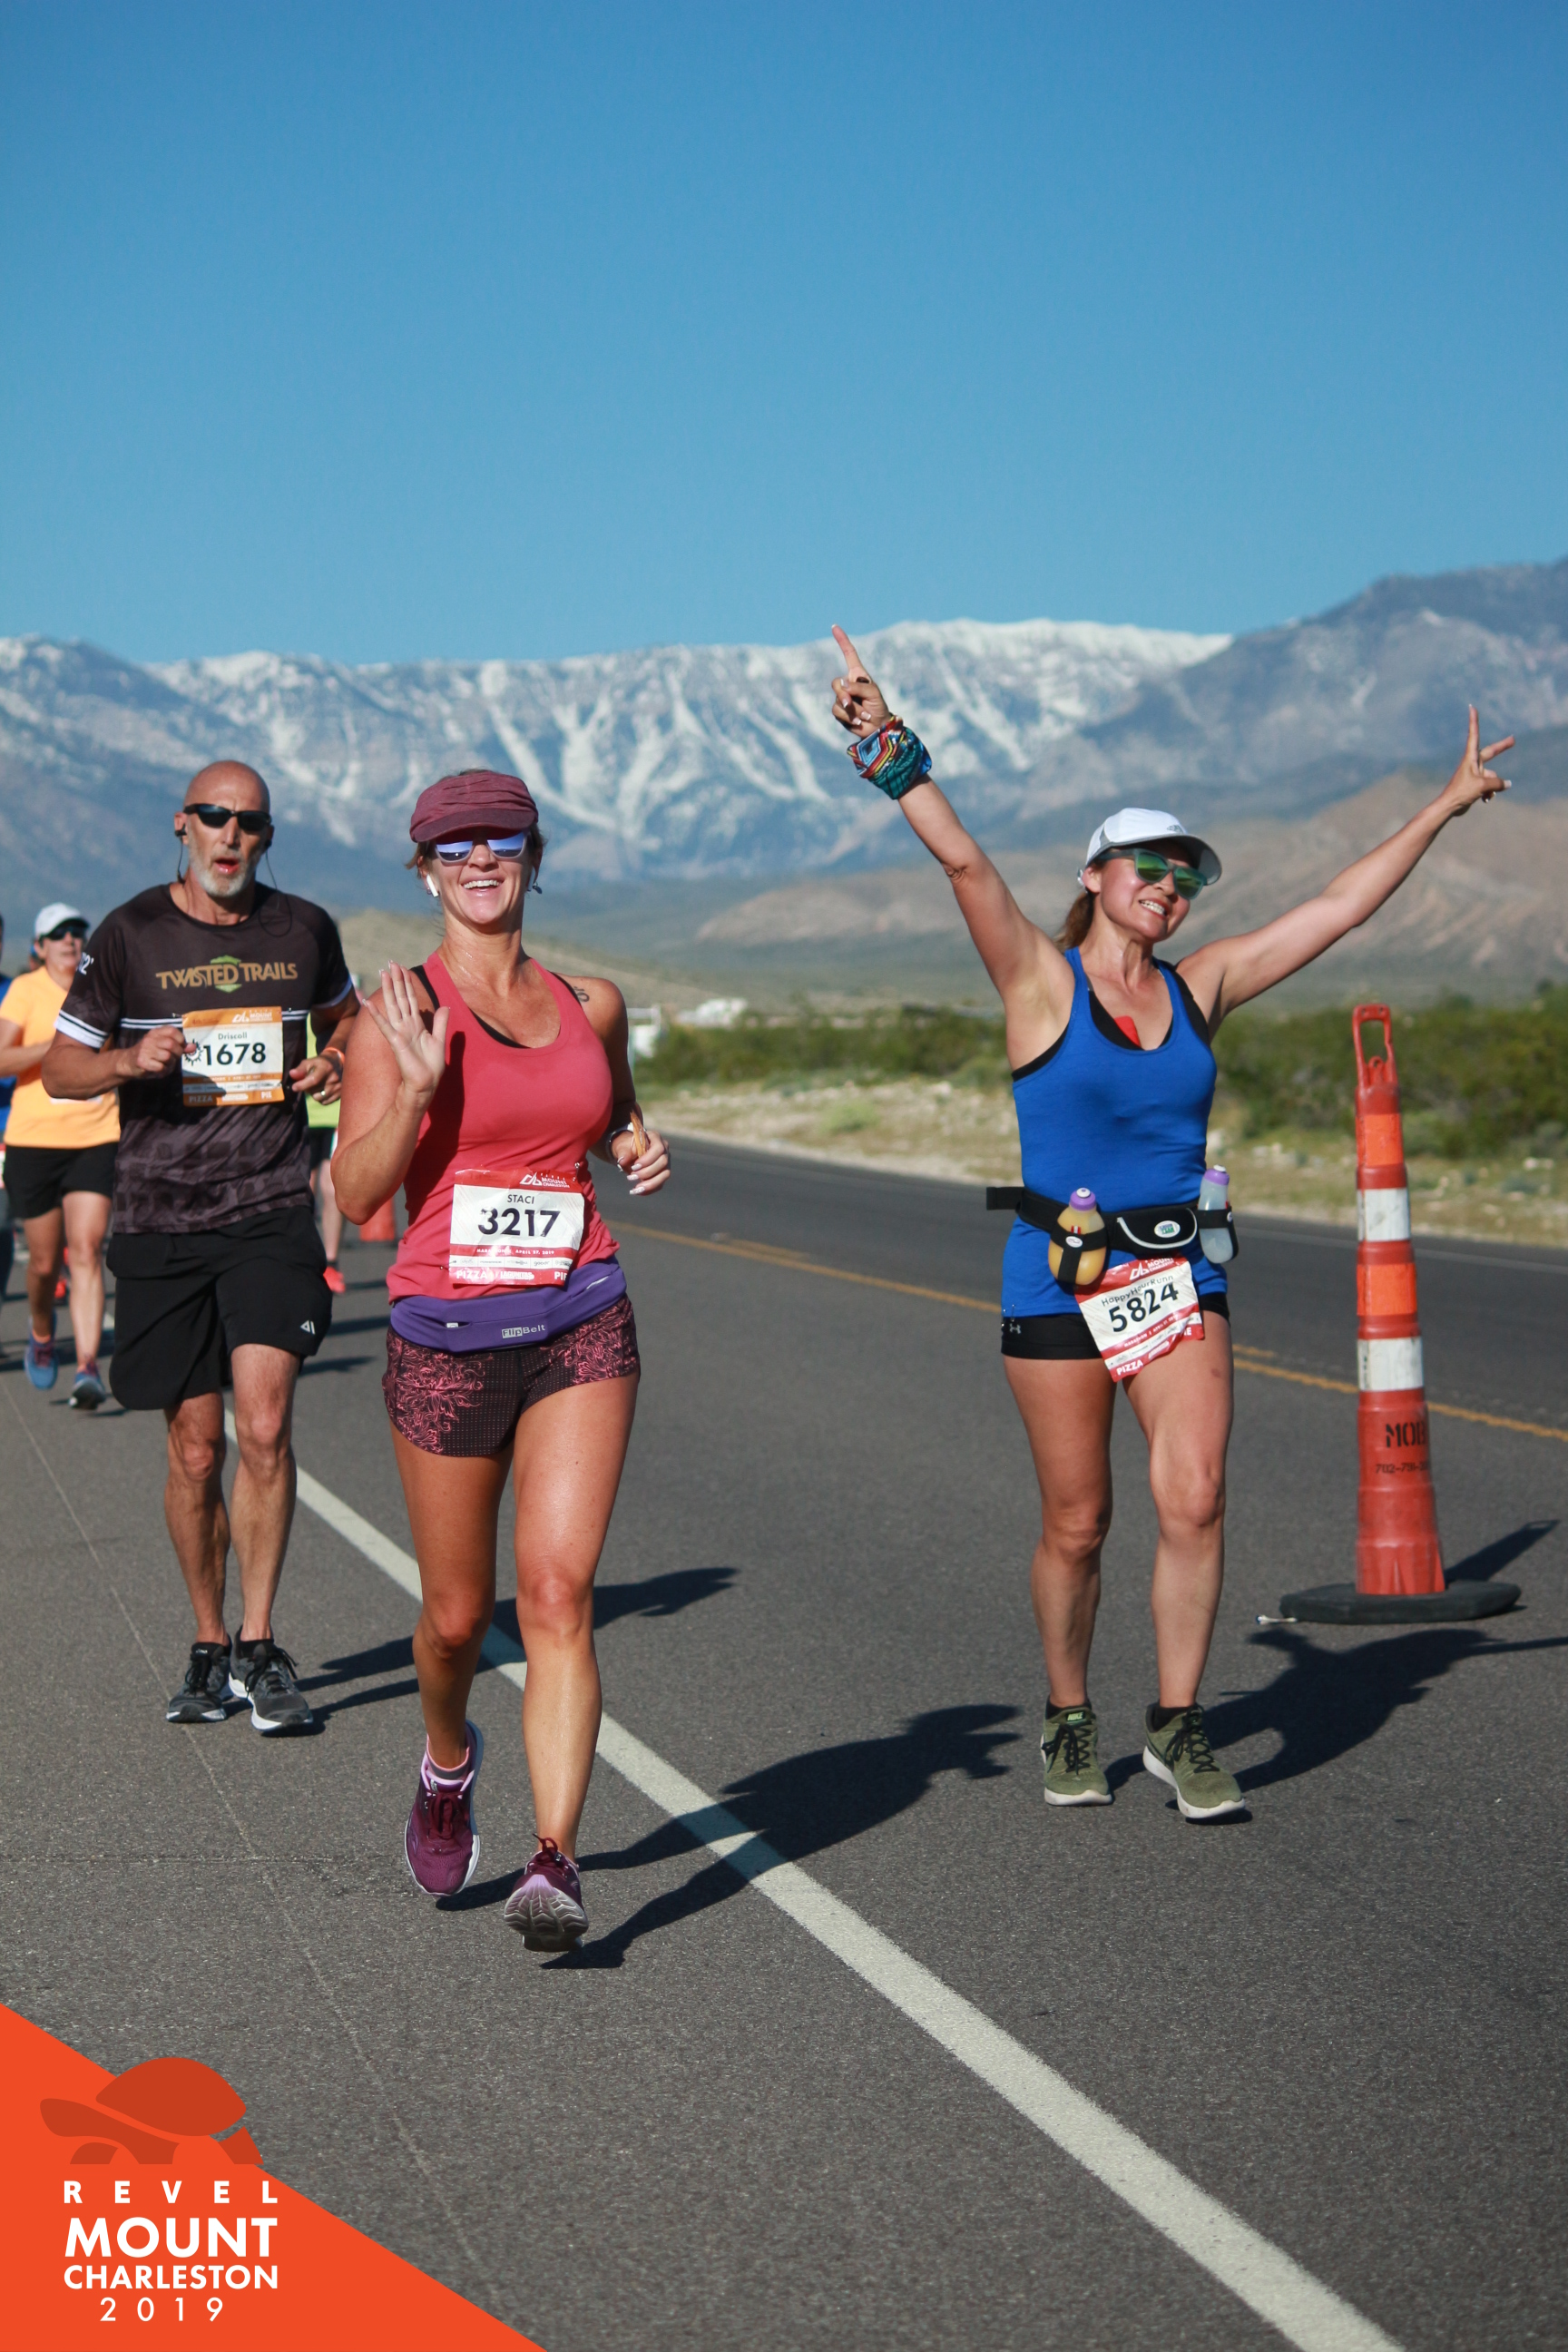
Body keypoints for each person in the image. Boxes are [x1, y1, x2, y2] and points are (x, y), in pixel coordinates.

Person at [830, 627, 1513, 1823]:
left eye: (1185, 875)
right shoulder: (1039, 980)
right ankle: (1068, 1710)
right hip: (1057, 1274)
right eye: (1146, 866)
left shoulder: (1203, 988)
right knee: (1078, 1522)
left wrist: (1443, 808)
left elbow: (1338, 910)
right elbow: (964, 863)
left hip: (1179, 1273)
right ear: (1096, 876)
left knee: (1194, 1495)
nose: (1168, 886)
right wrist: (886, 742)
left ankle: (1178, 1721)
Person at [333, 767, 670, 1947]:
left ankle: (555, 1861)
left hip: (582, 1316)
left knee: (561, 1595)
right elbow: (357, 1193)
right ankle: (445, 1759)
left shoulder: (592, 1001)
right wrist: (414, 1093)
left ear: (533, 855)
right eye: (455, 843)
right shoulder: (395, 1016)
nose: (481, 858)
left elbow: (605, 1109)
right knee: (455, 1620)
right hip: (448, 1339)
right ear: (426, 870)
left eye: (503, 839)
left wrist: (632, 1141)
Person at [40, 762, 358, 1733]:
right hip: (161, 1217)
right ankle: (209, 1644)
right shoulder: (129, 932)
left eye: (249, 823)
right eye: (215, 818)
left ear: (268, 836)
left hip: (268, 1210)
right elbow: (59, 1068)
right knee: (192, 1448)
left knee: (263, 1428)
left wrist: (333, 1059)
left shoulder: (303, 930)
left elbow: (349, 1020)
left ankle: (260, 1646)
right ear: (182, 825)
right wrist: (125, 1060)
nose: (231, 836)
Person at [0, 905, 120, 1406]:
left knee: (87, 1249)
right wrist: (59, 1047)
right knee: (45, 1262)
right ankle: (43, 1330)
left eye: (77, 932)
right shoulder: (25, 991)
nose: (70, 940)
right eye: (58, 934)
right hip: (34, 1140)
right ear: (39, 946)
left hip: (96, 1134)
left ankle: (88, 1367)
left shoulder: (104, 988)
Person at [305, 1014, 346, 1293]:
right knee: (302, 1188)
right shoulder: (289, 1000)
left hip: (336, 1111)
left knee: (331, 1187)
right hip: (301, 1112)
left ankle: (331, 1264)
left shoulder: (341, 1005)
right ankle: (304, 1260)